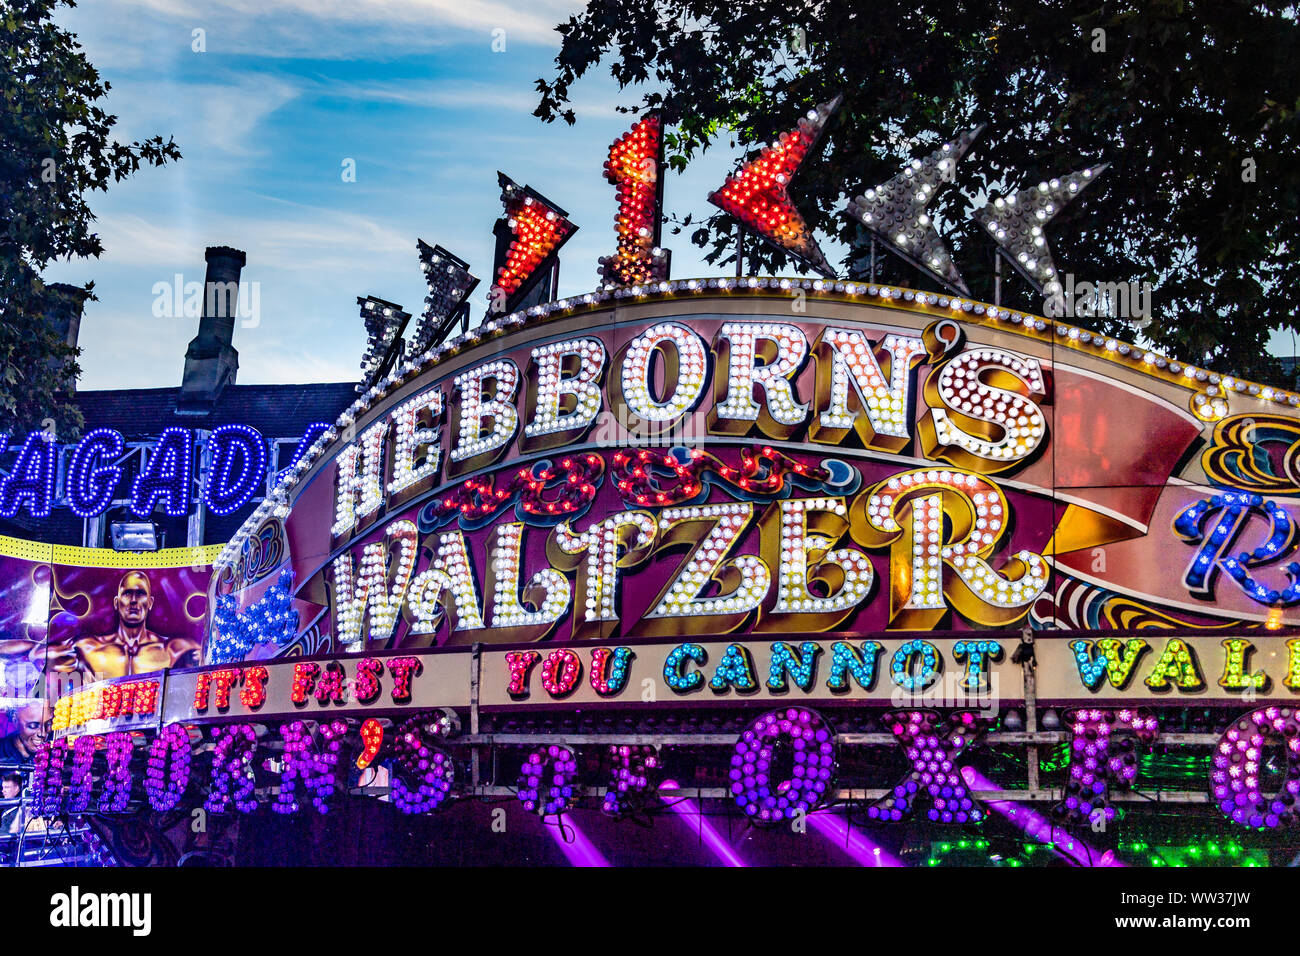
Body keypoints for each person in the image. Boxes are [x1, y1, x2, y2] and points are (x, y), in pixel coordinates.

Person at [48, 571, 200, 680]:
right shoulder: (88, 647)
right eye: (127, 593)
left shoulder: (173, 649)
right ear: (116, 602)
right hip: (101, 722)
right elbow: (37, 656)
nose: (133, 600)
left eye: (140, 593)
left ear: (150, 603)